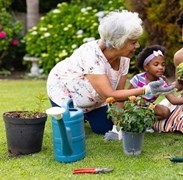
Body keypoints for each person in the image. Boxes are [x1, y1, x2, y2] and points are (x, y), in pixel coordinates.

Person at [46, 10, 175, 137]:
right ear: (119, 42)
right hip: (65, 94)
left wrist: (116, 127)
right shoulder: (90, 54)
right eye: (133, 42)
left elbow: (119, 95)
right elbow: (109, 94)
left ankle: (87, 114)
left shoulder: (124, 58)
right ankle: (81, 115)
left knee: (104, 128)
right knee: (72, 132)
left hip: (95, 100)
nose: (137, 46)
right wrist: (146, 89)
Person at [128, 45, 183, 120]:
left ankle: (147, 123)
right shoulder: (138, 79)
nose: (161, 67)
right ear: (146, 67)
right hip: (134, 107)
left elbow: (173, 100)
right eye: (156, 64)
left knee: (165, 111)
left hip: (149, 107)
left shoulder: (161, 82)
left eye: (163, 64)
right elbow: (127, 96)